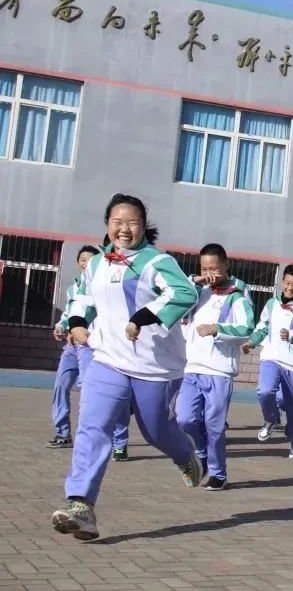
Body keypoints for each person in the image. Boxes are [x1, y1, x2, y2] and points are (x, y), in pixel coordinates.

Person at [50, 194, 201, 540]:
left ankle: (185, 454)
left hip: (154, 366)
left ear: (143, 226)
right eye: (117, 222)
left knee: (156, 431)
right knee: (93, 424)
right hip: (108, 359)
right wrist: (77, 323)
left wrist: (143, 317)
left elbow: (183, 293)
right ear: (107, 225)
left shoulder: (156, 261)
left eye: (131, 222)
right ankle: (81, 506)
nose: (123, 229)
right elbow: (83, 298)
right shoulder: (99, 263)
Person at [176, 244, 255, 491]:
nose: (210, 273)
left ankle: (218, 473)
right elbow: (176, 294)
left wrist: (217, 330)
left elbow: (247, 328)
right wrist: (196, 281)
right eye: (204, 268)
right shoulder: (198, 290)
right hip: (191, 367)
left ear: (226, 264)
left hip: (219, 371)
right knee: (184, 419)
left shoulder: (237, 293)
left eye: (215, 268)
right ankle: (201, 454)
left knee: (214, 425)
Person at [245, 263, 293, 459]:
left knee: (292, 405)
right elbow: (262, 326)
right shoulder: (271, 303)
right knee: (265, 391)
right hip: (271, 357)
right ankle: (270, 419)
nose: (290, 287)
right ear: (282, 282)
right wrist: (251, 342)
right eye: (287, 282)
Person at [48, 245, 100, 448]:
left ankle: (91, 434)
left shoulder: (101, 288)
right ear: (78, 263)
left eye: (90, 260)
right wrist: (61, 327)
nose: (86, 263)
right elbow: (68, 314)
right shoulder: (73, 288)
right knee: (61, 385)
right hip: (71, 346)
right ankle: (63, 432)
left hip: (90, 345)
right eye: (82, 259)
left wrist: (79, 330)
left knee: (88, 389)